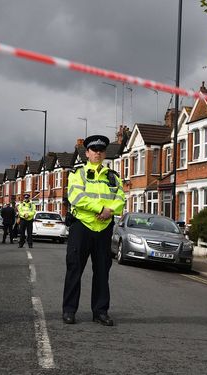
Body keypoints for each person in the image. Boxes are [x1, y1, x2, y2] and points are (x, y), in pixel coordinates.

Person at [62, 135, 124, 326]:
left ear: (104, 153)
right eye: (93, 150)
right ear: (87, 153)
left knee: (102, 271)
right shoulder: (77, 174)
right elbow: (76, 196)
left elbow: (120, 199)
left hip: (104, 228)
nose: (97, 153)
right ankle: (69, 310)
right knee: (74, 269)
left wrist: (110, 211)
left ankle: (100, 311)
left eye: (101, 150)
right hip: (82, 226)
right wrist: (100, 209)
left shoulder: (113, 176)